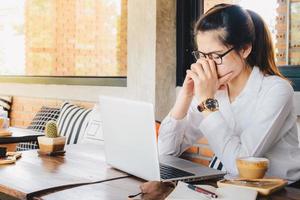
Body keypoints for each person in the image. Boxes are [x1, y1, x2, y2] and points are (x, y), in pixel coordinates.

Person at [158, 4, 300, 183]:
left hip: (280, 192)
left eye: (216, 56)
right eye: (203, 55)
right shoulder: (212, 89)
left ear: (245, 50)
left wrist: (206, 101)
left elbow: (240, 165)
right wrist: (186, 96)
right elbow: (166, 151)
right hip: (230, 187)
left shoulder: (276, 91)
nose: (208, 66)